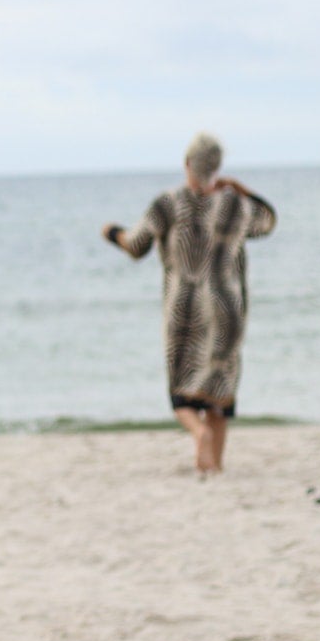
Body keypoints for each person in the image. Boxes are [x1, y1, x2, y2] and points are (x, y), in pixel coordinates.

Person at [102, 134, 277, 474]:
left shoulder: (168, 204)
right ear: (218, 168)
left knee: (182, 391)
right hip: (227, 307)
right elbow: (267, 222)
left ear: (187, 164)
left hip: (185, 308)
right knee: (219, 390)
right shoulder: (235, 206)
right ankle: (215, 466)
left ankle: (199, 435)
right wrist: (242, 189)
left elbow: (135, 246)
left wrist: (112, 233)